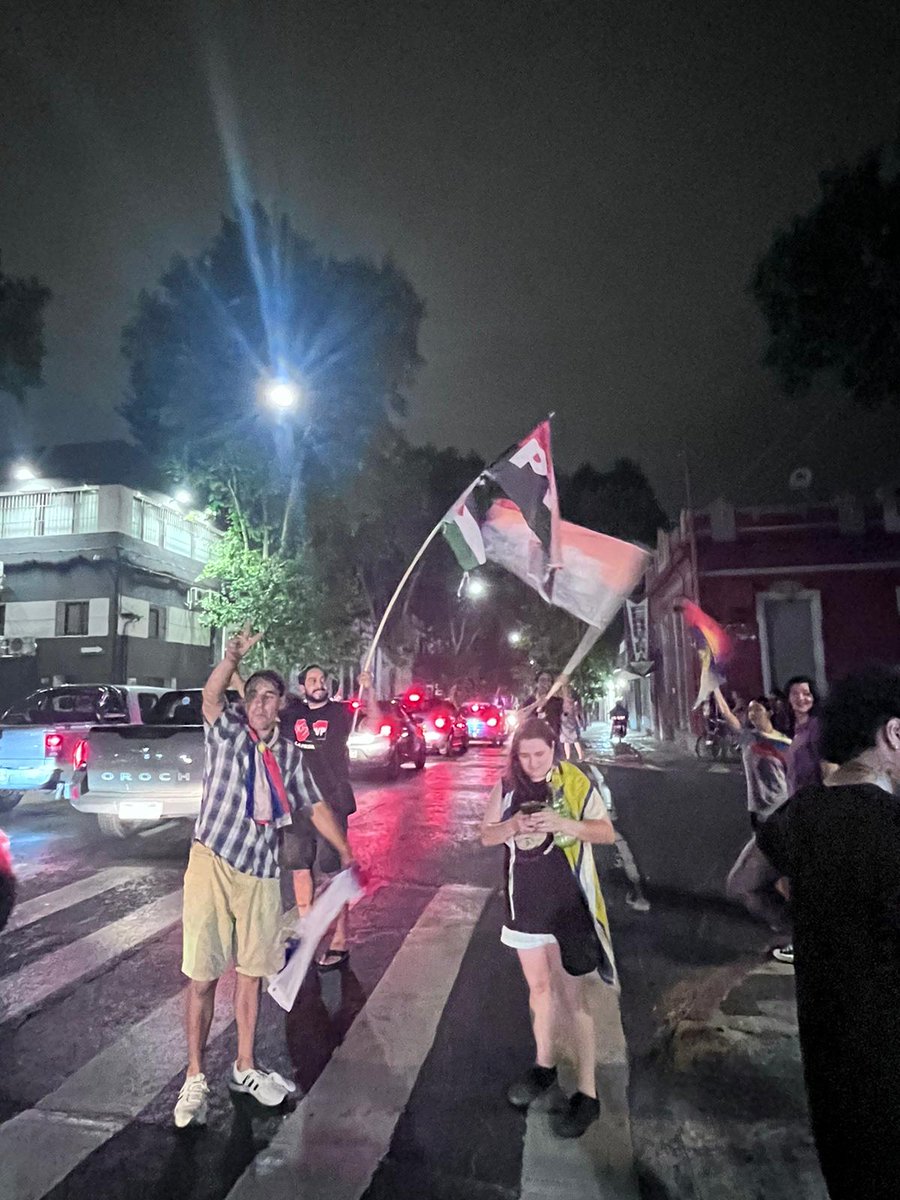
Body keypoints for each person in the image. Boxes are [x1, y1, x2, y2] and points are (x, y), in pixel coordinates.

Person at [174, 629, 352, 1130]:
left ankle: (245, 1067)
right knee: (203, 976)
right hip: (212, 861)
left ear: (281, 706)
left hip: (259, 870)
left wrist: (344, 848)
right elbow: (211, 695)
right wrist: (230, 657)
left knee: (251, 973)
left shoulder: (290, 755)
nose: (258, 703)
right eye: (252, 694)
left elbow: (313, 804)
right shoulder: (226, 731)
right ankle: (194, 1077)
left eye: (268, 696)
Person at [756, 666, 900, 1200]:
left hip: (827, 1044)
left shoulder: (801, 812)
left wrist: (802, 921)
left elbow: (742, 884)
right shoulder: (891, 821)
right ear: (894, 733)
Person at [480, 717, 617, 1139]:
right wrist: (512, 826)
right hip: (526, 906)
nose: (533, 763)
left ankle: (588, 1094)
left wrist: (565, 825)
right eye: (524, 755)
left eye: (540, 754)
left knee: (575, 999)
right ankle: (544, 1066)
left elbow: (606, 832)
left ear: (554, 750)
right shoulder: (507, 786)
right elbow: (486, 835)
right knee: (539, 992)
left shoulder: (574, 781)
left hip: (569, 906)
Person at [280, 664, 372, 972]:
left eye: (322, 679)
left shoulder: (341, 713)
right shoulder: (291, 715)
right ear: (302, 687)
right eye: (312, 680)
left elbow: (373, 721)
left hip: (331, 802)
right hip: (297, 803)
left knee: (335, 872)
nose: (319, 684)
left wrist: (369, 690)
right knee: (299, 869)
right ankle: (307, 933)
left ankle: (341, 937)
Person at [714, 687, 793, 962]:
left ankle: (792, 933)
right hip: (760, 821)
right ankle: (789, 931)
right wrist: (713, 686)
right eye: (749, 710)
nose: (751, 714)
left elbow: (796, 781)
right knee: (761, 883)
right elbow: (726, 714)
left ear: (769, 712)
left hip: (780, 818)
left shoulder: (785, 744)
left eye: (756, 709)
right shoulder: (749, 738)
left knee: (743, 884)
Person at [522, 670, 564, 743]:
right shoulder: (529, 701)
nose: (546, 683)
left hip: (551, 743)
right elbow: (521, 716)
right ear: (537, 683)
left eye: (549, 680)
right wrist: (536, 704)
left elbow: (565, 716)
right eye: (542, 680)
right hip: (532, 742)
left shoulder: (557, 702)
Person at [559, 687, 585, 761]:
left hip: (568, 723)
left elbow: (575, 714)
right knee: (570, 741)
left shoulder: (569, 703)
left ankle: (576, 756)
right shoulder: (571, 703)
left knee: (570, 741)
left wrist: (579, 723)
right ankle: (575, 757)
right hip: (566, 724)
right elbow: (576, 714)